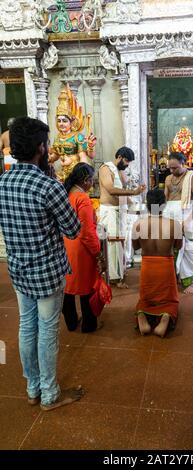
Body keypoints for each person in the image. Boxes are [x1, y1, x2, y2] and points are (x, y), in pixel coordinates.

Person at [0, 117, 84, 410]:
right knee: (47, 330)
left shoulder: (2, 182)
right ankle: (49, 394)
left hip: (18, 269)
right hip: (47, 273)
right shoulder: (48, 186)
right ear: (40, 147)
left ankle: (32, 387)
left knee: (26, 326)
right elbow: (73, 229)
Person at [132, 189, 182, 337]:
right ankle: (165, 317)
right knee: (170, 300)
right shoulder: (174, 224)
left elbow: (136, 247)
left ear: (147, 205)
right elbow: (178, 246)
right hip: (166, 266)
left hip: (147, 266)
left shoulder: (138, 224)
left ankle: (142, 316)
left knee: (145, 299)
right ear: (164, 204)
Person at [98, 147, 146, 288]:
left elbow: (124, 191)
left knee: (121, 243)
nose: (127, 164)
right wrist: (133, 191)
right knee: (113, 244)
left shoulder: (120, 171)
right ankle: (113, 277)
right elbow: (111, 190)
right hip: (110, 211)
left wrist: (134, 205)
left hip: (121, 211)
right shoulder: (106, 168)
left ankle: (120, 272)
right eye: (126, 161)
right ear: (119, 156)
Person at [62, 163, 101, 333]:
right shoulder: (82, 198)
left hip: (66, 244)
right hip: (81, 248)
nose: (92, 183)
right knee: (86, 286)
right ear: (86, 180)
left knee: (68, 286)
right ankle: (89, 324)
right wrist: (97, 251)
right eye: (92, 180)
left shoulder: (67, 193)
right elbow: (86, 230)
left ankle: (71, 322)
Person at [164, 152, 193, 294]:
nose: (172, 171)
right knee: (171, 248)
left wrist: (187, 220)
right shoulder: (168, 178)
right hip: (170, 215)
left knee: (189, 248)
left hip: (187, 215)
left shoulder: (191, 177)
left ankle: (190, 281)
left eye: (175, 168)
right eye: (170, 168)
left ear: (183, 163)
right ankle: (173, 278)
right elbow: (165, 199)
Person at [48, 85, 96, 182]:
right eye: (59, 121)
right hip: (63, 173)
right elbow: (56, 155)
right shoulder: (58, 137)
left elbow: (84, 157)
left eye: (64, 121)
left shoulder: (78, 137)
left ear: (71, 122)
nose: (61, 124)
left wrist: (84, 175)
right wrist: (49, 158)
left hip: (76, 172)